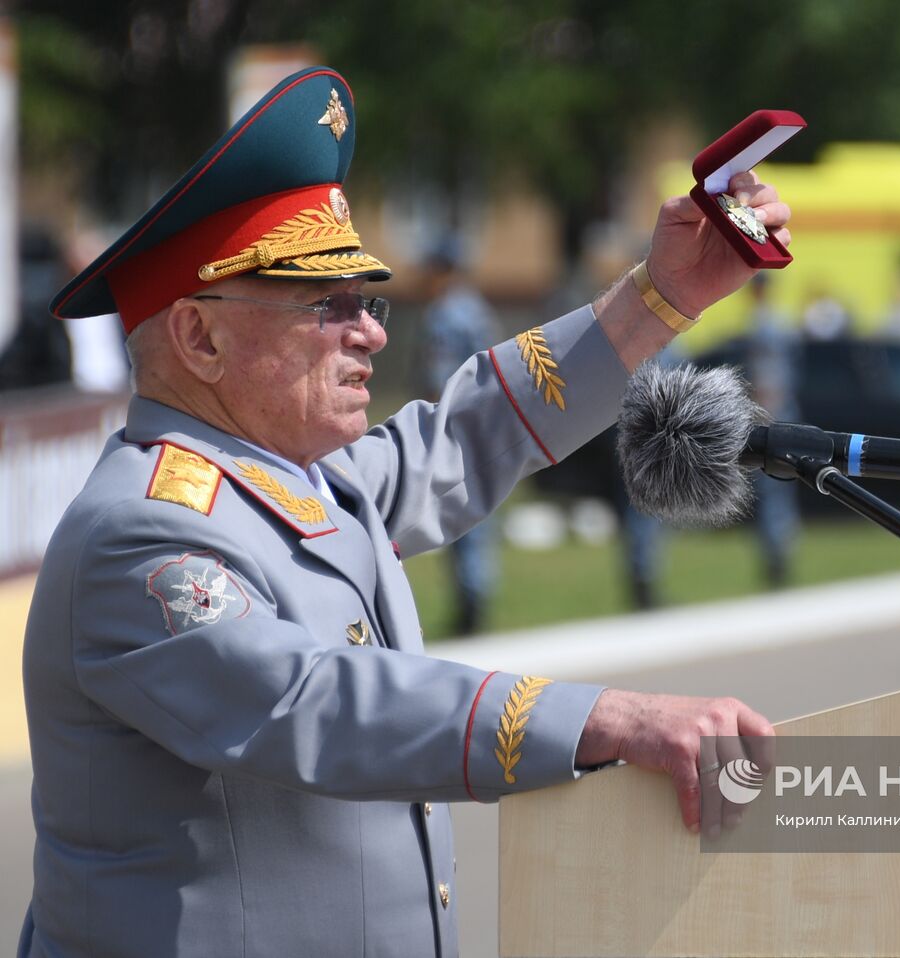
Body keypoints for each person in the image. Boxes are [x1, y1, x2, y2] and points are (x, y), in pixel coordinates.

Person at [20, 66, 786, 958]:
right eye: (327, 305)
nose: (372, 331)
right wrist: (601, 719)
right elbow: (312, 702)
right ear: (200, 336)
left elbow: (467, 434)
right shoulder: (142, 530)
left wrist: (664, 295)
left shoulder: (302, 478)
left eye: (366, 301)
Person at [419, 237, 500, 632]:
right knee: (480, 517)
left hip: (455, 431)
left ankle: (469, 611)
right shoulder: (477, 309)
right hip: (487, 425)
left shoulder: (444, 315)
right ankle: (479, 600)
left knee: (457, 517)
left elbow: (440, 381)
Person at [745, 273, 802, 586]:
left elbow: (767, 381)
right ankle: (781, 554)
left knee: (772, 493)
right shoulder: (781, 324)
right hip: (786, 416)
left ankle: (776, 558)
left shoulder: (763, 327)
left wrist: (764, 421)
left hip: (772, 418)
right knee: (782, 492)